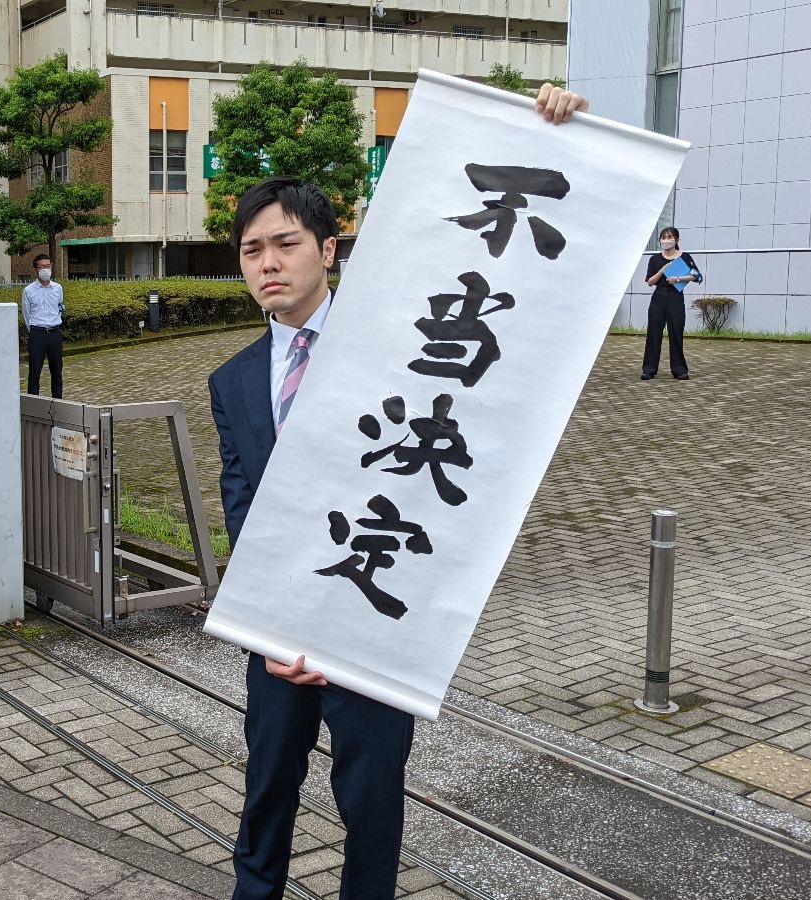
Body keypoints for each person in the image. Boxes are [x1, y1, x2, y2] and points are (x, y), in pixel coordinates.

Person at [208, 86, 588, 900]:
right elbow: (243, 509)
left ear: (329, 250)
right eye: (251, 252)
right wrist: (272, 624)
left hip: (374, 622)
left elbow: (488, 255)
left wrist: (546, 125)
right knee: (266, 787)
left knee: (371, 806)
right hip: (277, 632)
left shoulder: (407, 346)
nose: (268, 264)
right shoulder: (233, 381)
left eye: (285, 244)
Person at [642, 226, 700, 381]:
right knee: (654, 333)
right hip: (658, 298)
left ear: (677, 240)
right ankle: (649, 369)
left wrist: (678, 279)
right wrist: (663, 269)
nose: (666, 240)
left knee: (676, 333)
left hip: (676, 297)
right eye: (663, 237)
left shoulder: (684, 257)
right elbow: (649, 282)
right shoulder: (654, 259)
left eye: (670, 237)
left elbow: (697, 276)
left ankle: (679, 369)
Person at [22, 252, 65, 399]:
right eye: (42, 267)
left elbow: (60, 308)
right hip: (37, 334)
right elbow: (27, 315)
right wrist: (35, 331)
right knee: (34, 373)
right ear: (36, 270)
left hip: (55, 333)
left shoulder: (58, 288)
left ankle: (58, 405)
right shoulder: (29, 291)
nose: (46, 269)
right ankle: (34, 408)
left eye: (48, 266)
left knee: (57, 373)